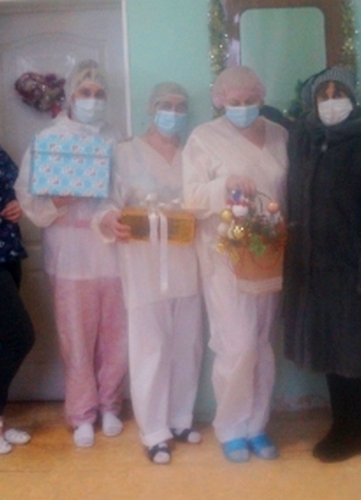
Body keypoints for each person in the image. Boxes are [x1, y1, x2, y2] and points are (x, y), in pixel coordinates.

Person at [283, 65, 361, 463]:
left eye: (339, 94)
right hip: (316, 271)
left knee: (357, 354)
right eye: (324, 95)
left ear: (353, 98)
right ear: (313, 101)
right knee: (332, 352)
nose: (332, 102)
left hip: (355, 270)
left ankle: (355, 432)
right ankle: (340, 425)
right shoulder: (307, 139)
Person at [15, 60, 127, 448]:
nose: (93, 100)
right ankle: (82, 413)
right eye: (85, 93)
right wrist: (57, 201)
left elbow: (123, 190)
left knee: (116, 335)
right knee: (76, 338)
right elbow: (27, 194)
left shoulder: (116, 139)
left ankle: (110, 405)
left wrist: (110, 210)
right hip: (69, 255)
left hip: (111, 251)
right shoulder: (48, 139)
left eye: (99, 94)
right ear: (70, 96)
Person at [182, 66, 288, 463]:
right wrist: (223, 185)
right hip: (224, 254)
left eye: (250, 100)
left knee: (262, 344)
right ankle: (230, 427)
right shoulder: (203, 138)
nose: (243, 107)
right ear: (221, 101)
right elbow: (191, 197)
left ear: (261, 98)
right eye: (235, 101)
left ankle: (257, 425)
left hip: (268, 251)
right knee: (237, 345)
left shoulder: (279, 135)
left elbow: (287, 190)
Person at [95, 82, 203, 464]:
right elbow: (106, 200)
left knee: (188, 343)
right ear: (151, 108)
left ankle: (180, 419)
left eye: (180, 106)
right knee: (150, 346)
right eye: (165, 105)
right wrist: (108, 218)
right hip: (142, 261)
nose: (173, 112)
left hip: (187, 259)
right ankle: (154, 430)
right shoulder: (125, 152)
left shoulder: (193, 153)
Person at [0, 145, 35, 454]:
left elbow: (21, 188)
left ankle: (0, 421)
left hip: (8, 252)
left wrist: (17, 205)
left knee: (3, 341)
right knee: (19, 336)